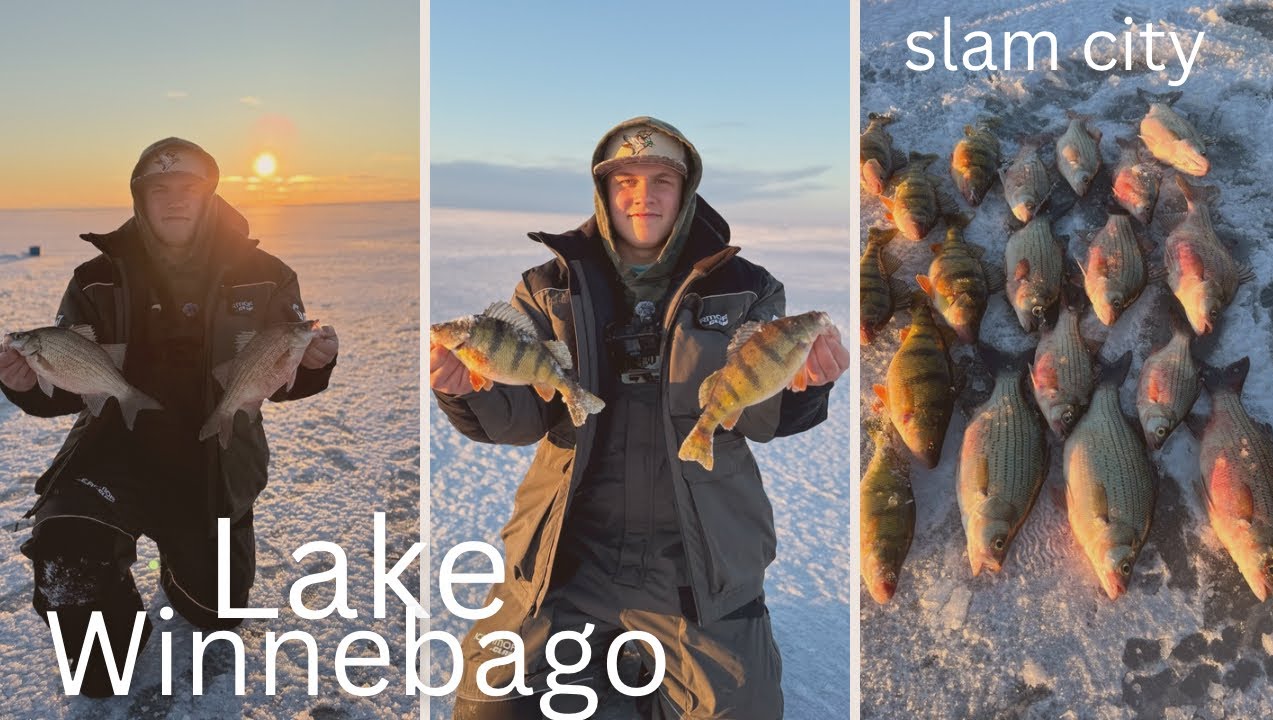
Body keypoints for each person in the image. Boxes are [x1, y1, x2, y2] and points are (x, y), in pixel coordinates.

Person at [430, 117, 848, 719]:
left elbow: (758, 415)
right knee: (488, 706)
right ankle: (617, 670)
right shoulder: (548, 287)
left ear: (686, 190)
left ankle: (632, 673)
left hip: (697, 567)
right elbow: (521, 418)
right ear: (603, 192)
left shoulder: (746, 288)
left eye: (661, 180)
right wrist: (464, 392)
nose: (642, 195)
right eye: (625, 180)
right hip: (567, 557)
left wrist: (806, 385)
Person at [0, 138, 339, 697]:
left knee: (217, 614)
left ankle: (189, 570)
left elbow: (278, 376)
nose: (175, 199)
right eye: (159, 189)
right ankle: (111, 640)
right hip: (113, 449)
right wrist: (26, 385)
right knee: (68, 550)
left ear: (210, 196)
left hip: (214, 460)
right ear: (140, 198)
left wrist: (315, 365)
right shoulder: (94, 279)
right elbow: (69, 383)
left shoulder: (267, 276)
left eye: (189, 188)